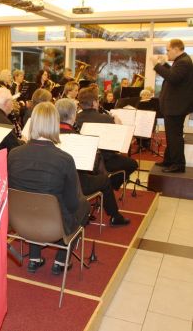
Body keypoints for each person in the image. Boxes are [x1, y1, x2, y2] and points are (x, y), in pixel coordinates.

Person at [8, 102, 89, 275]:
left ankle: (34, 258)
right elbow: (73, 204)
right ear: (55, 125)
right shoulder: (64, 159)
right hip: (54, 227)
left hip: (21, 224)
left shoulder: (13, 154)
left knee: (33, 200)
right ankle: (61, 260)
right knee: (83, 206)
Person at [56, 98, 130, 226]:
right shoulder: (75, 136)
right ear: (73, 115)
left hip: (55, 182)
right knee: (104, 180)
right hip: (74, 184)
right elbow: (92, 166)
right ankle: (115, 216)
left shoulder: (50, 133)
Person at [76, 87, 138, 190]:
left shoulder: (75, 118)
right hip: (104, 160)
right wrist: (118, 122)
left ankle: (103, 183)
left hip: (83, 160)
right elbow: (117, 145)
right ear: (95, 103)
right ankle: (111, 184)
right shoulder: (105, 118)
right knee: (132, 164)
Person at [153, 38, 193, 173]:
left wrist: (157, 66)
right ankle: (169, 160)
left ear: (176, 49)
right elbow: (174, 74)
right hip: (174, 107)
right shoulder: (182, 61)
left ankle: (178, 164)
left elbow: (173, 78)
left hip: (176, 107)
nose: (167, 52)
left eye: (168, 50)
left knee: (174, 136)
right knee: (171, 135)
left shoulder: (184, 62)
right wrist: (164, 64)